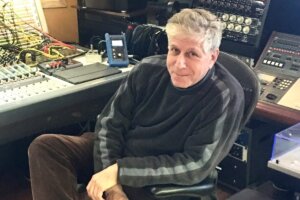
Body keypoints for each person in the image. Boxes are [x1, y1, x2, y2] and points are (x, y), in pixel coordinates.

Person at [28, 8, 244, 200]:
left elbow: (196, 164)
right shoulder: (146, 70)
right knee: (46, 147)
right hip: (122, 156)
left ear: (213, 57)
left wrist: (119, 172)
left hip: (159, 173)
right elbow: (109, 124)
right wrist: (112, 183)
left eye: (192, 54)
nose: (179, 63)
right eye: (174, 50)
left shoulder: (225, 95)